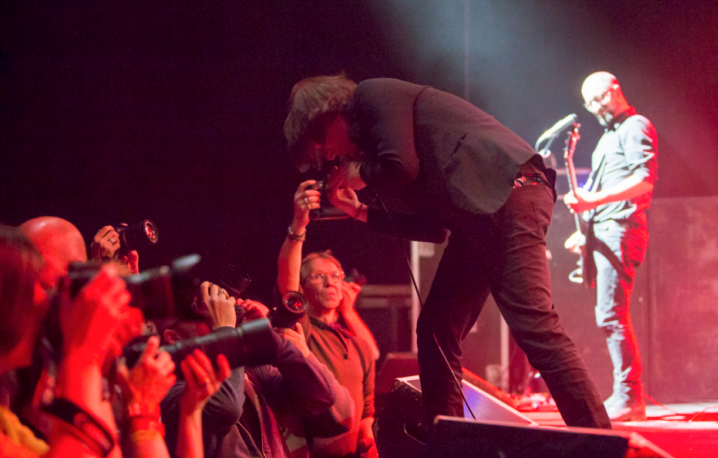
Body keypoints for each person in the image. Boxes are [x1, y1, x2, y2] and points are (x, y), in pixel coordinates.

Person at [283, 75, 611, 430]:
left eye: (323, 145)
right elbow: (434, 229)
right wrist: (359, 212)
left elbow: (401, 167)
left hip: (511, 195)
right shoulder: (382, 153)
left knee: (536, 329)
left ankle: (603, 445)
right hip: (481, 220)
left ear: (331, 113)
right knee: (437, 329)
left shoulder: (372, 95)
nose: (331, 157)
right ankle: (452, 444)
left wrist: (359, 172)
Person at [159, 281, 354, 458]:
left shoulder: (252, 374)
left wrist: (267, 337)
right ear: (174, 337)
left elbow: (319, 397)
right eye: (204, 313)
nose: (215, 316)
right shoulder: (169, 391)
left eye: (216, 310)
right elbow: (227, 408)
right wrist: (225, 330)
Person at [564, 71, 657, 421]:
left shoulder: (636, 126)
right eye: (589, 103)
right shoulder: (609, 137)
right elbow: (607, 196)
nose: (594, 107)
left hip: (623, 231)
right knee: (610, 314)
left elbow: (643, 181)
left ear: (615, 90)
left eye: (599, 98)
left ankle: (630, 398)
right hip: (607, 231)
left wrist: (592, 202)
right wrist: (586, 232)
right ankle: (627, 396)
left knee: (612, 314)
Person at [277, 195, 378, 457]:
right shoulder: (304, 329)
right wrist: (299, 225)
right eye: (319, 277)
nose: (331, 283)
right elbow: (287, 283)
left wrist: (369, 445)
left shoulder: (356, 343)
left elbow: (367, 413)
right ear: (303, 288)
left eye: (336, 276)